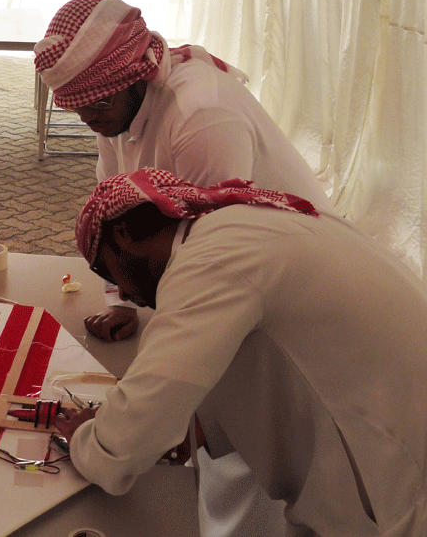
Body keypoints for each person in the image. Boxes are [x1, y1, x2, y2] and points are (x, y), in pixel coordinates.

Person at [34, 0, 331, 535]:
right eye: (77, 109)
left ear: (132, 79)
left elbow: (218, 258)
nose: (87, 119)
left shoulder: (201, 119)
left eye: (95, 108)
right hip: (236, 279)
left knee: (251, 438)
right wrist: (122, 297)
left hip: (282, 291)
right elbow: (116, 202)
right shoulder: (118, 103)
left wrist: (110, 439)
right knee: (211, 427)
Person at [57, 167, 427, 536]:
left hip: (399, 468)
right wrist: (196, 428)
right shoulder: (237, 226)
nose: (120, 293)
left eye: (106, 270)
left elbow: (129, 436)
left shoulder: (210, 261)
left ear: (123, 235)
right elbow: (266, 350)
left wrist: (86, 440)